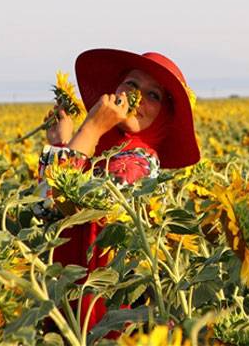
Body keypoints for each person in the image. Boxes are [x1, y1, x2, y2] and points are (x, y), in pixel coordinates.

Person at [33, 48, 201, 330]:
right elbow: (53, 208)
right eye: (131, 85)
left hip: (105, 318)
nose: (137, 98)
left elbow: (48, 204)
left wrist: (89, 130)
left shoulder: (138, 163)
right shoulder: (104, 154)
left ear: (165, 116)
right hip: (72, 307)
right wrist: (65, 142)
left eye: (153, 95)